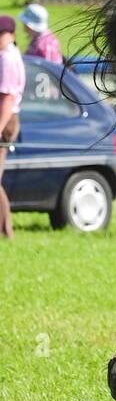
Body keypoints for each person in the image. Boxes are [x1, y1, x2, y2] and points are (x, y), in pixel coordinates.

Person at [0, 15, 26, 239]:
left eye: (1, 33)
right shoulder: (11, 55)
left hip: (5, 119)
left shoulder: (7, 58)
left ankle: (6, 229)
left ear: (11, 34)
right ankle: (6, 228)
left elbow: (8, 97)